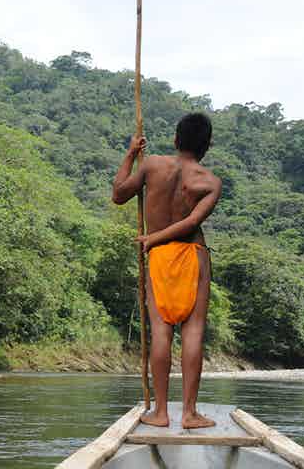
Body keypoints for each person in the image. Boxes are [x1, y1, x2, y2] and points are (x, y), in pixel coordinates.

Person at [111, 112, 222, 429]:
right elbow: (192, 222)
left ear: (175, 139)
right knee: (193, 332)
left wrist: (131, 153)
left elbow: (118, 194)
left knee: (161, 332)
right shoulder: (210, 182)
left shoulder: (152, 165)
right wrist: (155, 240)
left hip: (159, 255)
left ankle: (160, 412)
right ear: (207, 145)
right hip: (192, 255)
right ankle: (189, 413)